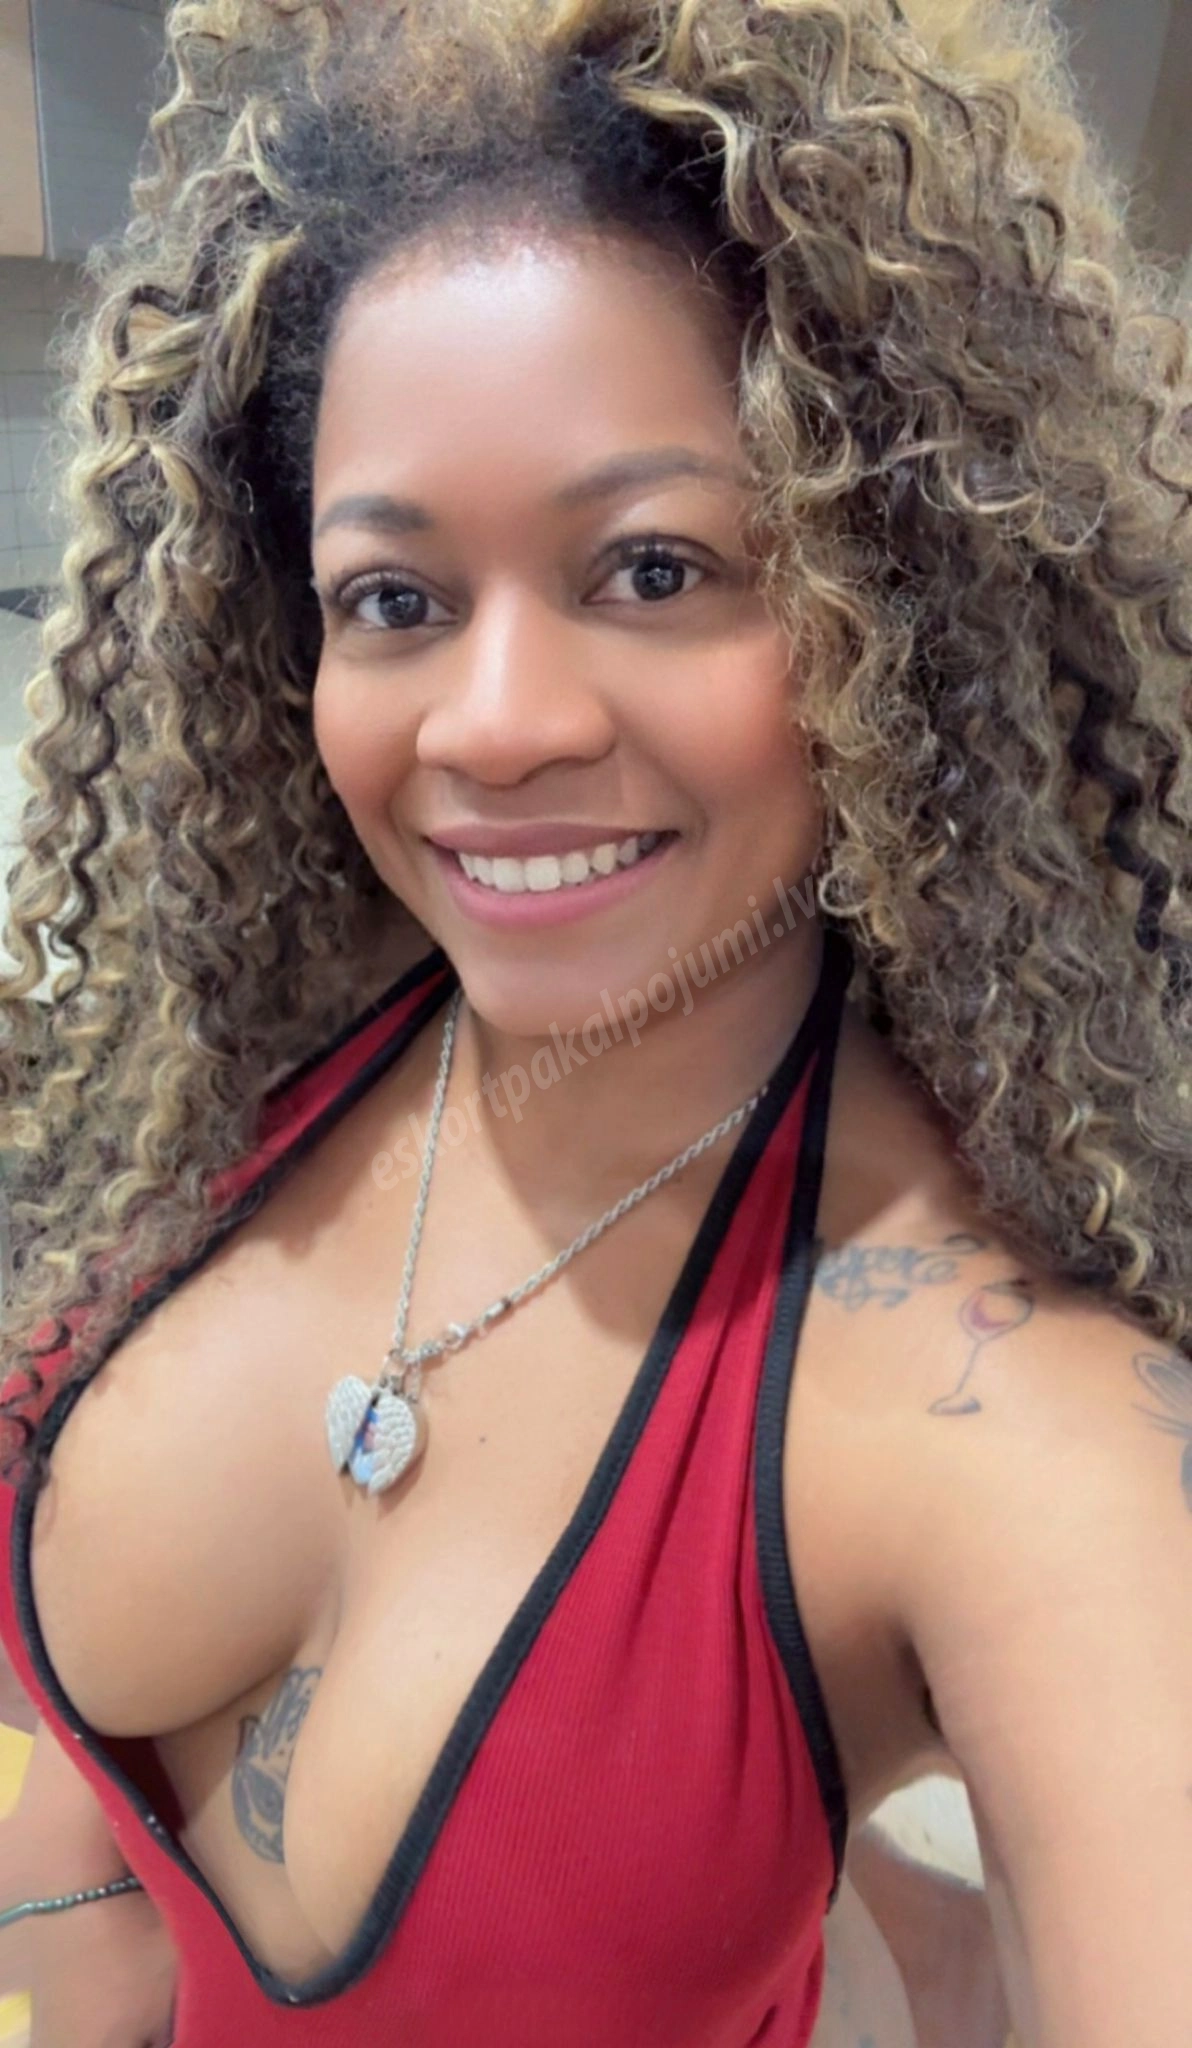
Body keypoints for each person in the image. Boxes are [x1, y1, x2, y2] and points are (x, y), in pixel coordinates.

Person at [0, 0, 1188, 2043]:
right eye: (396, 598)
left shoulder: (1007, 1424)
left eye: (652, 568)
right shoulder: (250, 1044)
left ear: (892, 616)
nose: (494, 727)